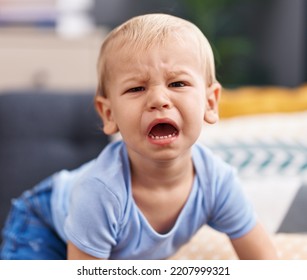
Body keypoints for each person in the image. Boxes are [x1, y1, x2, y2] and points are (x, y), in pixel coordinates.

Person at [0, 13, 277, 260]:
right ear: (109, 114)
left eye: (177, 83)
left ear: (210, 102)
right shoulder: (102, 192)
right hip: (43, 225)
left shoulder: (217, 182)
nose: (158, 99)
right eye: (136, 89)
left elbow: (265, 264)